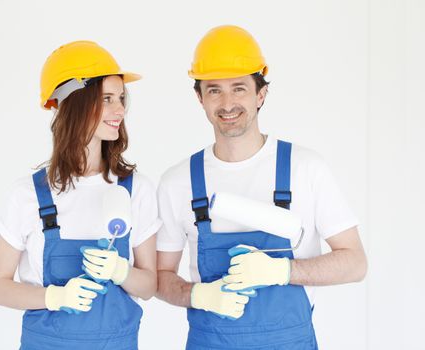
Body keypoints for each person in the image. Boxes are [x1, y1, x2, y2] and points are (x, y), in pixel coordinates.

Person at [156, 25, 367, 349]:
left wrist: (282, 271)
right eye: (214, 90)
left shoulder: (305, 168)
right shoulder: (177, 182)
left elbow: (355, 262)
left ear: (261, 94)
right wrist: (198, 294)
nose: (227, 103)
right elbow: (161, 278)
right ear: (199, 97)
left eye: (239, 88)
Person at [0, 40, 161, 350]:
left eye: (121, 98)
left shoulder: (136, 190)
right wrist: (54, 297)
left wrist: (121, 271)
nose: (120, 109)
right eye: (107, 98)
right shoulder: (28, 195)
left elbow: (149, 286)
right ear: (75, 101)